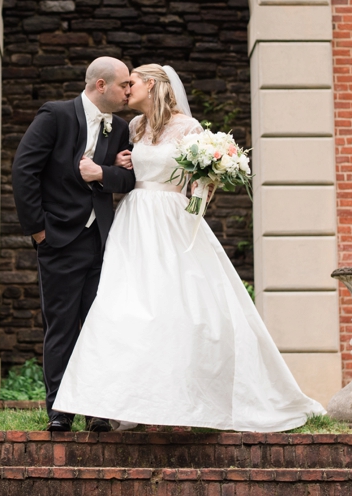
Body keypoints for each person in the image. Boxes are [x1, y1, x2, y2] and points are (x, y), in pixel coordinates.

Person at [52, 64, 325, 432]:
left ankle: (190, 398)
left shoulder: (188, 128)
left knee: (180, 308)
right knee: (124, 306)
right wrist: (116, 164)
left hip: (172, 221)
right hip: (133, 221)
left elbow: (201, 181)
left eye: (132, 83)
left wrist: (198, 201)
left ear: (152, 84)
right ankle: (123, 401)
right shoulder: (133, 128)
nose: (127, 90)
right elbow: (129, 175)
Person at [11, 56, 137, 432]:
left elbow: (127, 181)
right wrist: (39, 231)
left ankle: (98, 410)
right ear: (101, 85)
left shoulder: (122, 129)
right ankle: (60, 410)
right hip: (59, 240)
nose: (128, 91)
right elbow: (24, 169)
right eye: (123, 85)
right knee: (62, 327)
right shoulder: (56, 116)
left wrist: (110, 172)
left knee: (101, 326)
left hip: (102, 242)